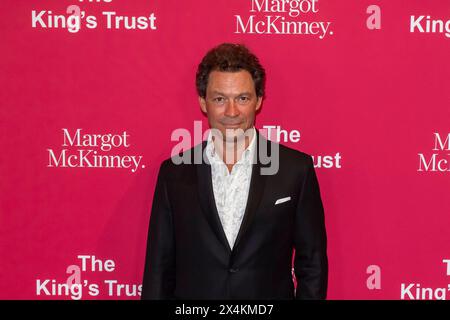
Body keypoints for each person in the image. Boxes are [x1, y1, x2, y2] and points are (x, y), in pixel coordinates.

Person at [141, 43, 328, 300]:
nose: (231, 112)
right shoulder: (174, 173)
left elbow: (313, 264)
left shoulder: (296, 169)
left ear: (258, 100)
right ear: (203, 102)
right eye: (220, 99)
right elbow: (158, 269)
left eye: (242, 98)